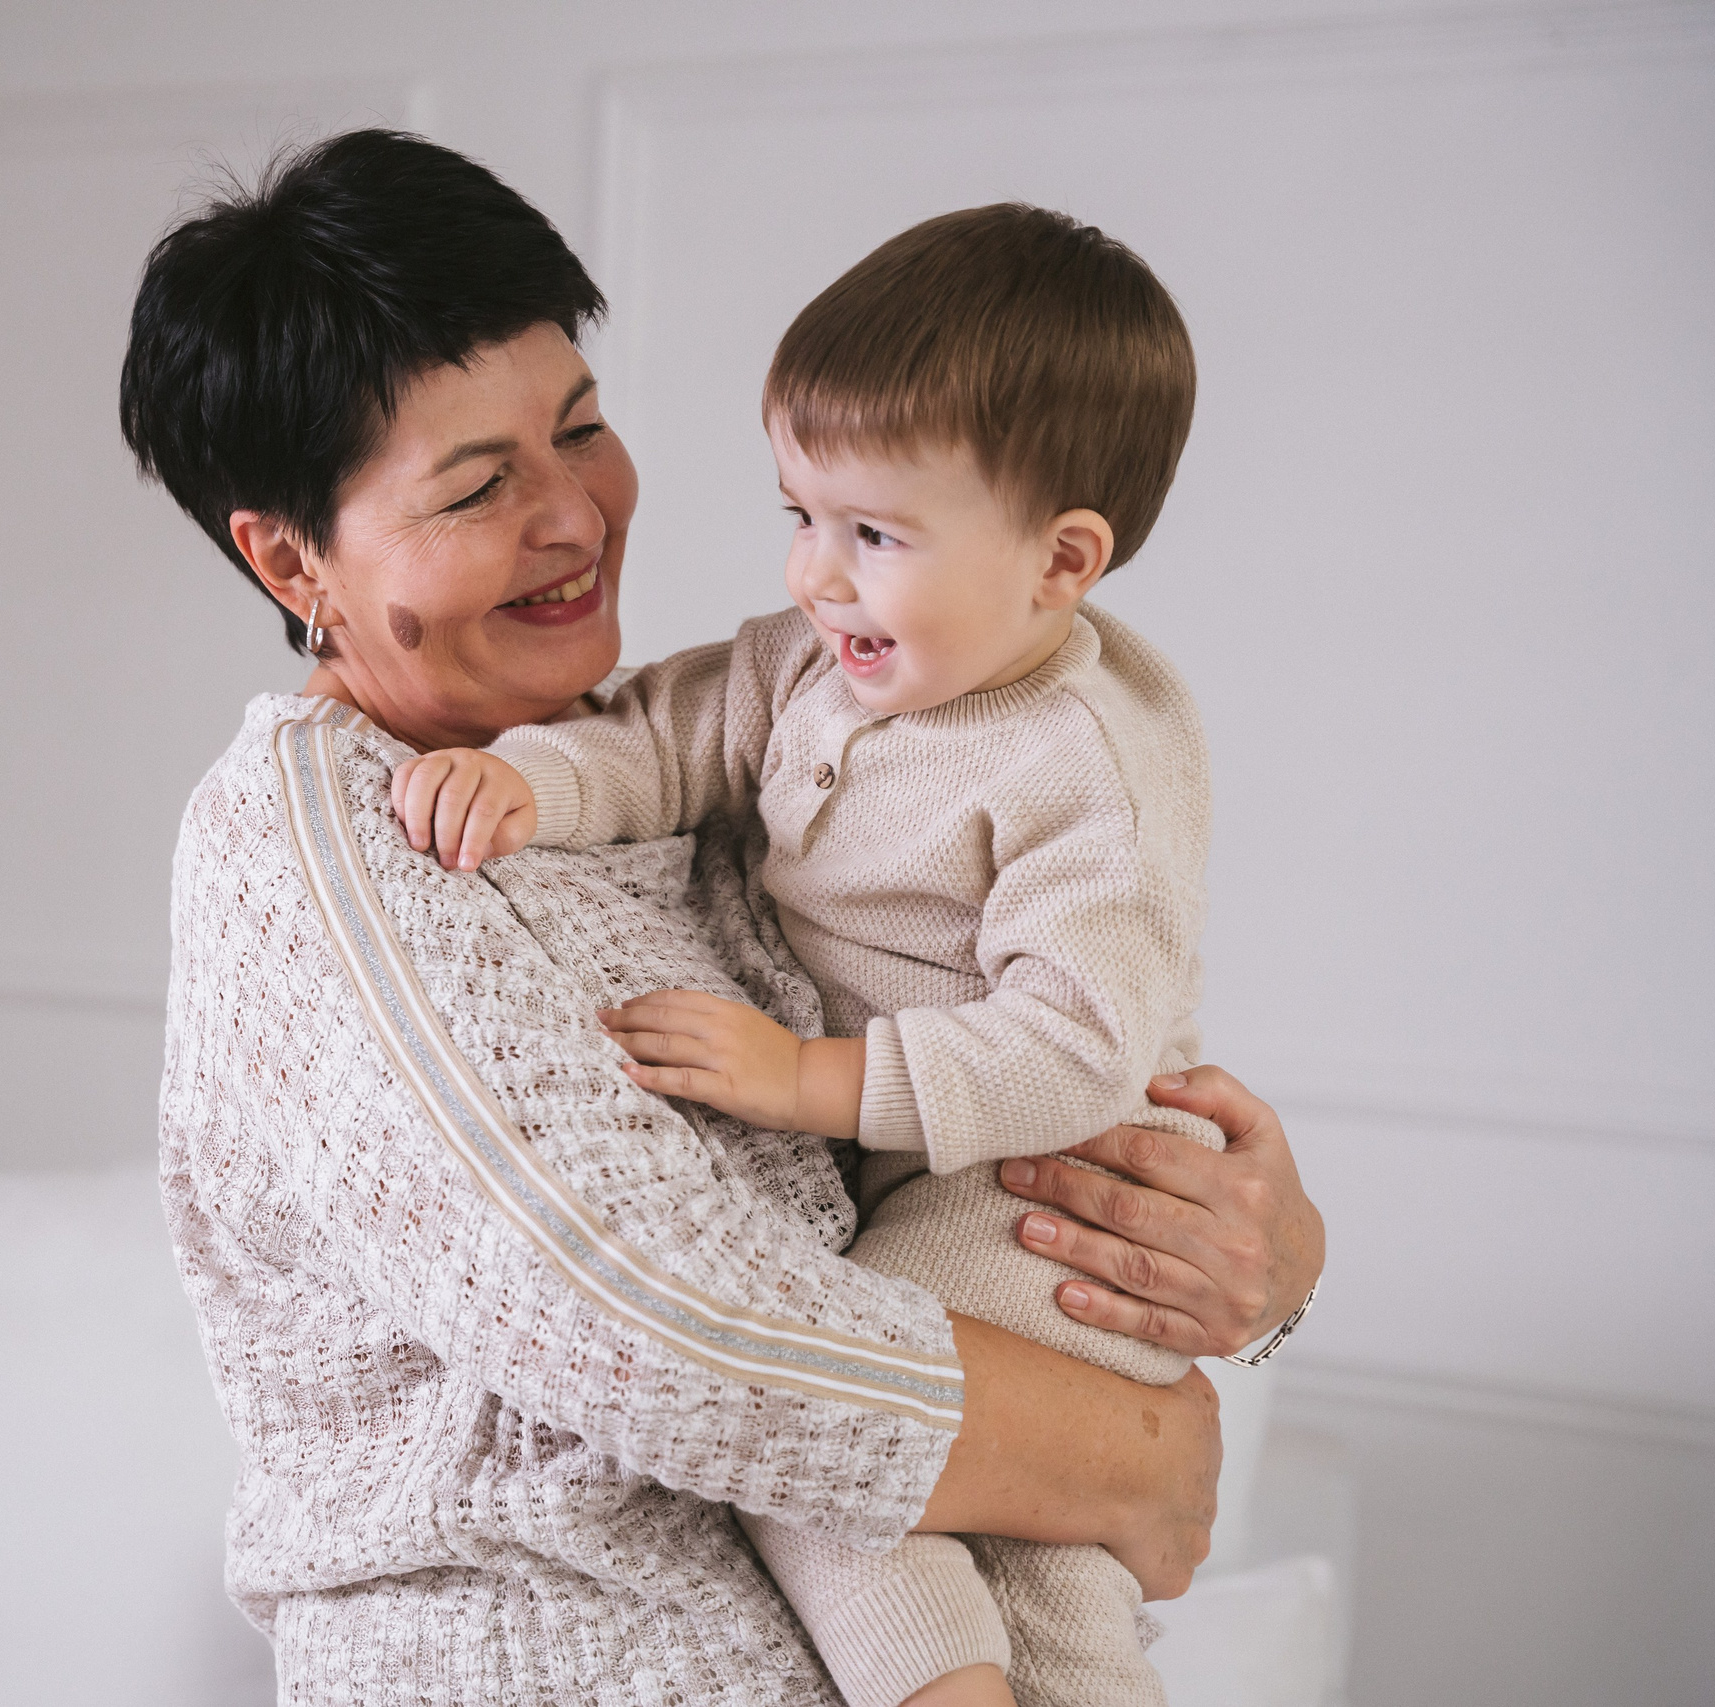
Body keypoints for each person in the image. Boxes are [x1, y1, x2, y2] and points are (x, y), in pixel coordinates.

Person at [122, 129, 1324, 1707]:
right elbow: (671, 1334)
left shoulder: (687, 766)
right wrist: (1138, 1451)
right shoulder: (318, 850)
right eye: (481, 486)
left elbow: (960, 1104)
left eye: (583, 428)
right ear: (293, 559)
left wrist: (1267, 1265)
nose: (575, 516)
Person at [394, 205, 1214, 1707]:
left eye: (876, 536)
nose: (818, 578)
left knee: (839, 1447)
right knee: (1026, 1554)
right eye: (800, 515)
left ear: (1060, 560)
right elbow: (665, 738)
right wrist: (532, 786)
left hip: (1033, 1180)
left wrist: (806, 1080)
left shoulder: (1079, 763)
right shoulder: (811, 664)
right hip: (906, 1171)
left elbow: (1078, 1044)